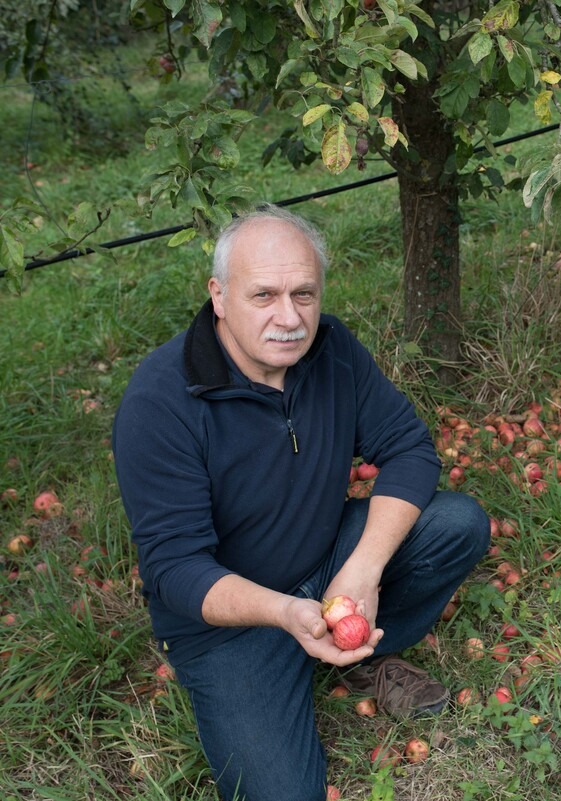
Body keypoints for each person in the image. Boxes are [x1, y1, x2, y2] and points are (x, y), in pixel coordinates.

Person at [112, 205, 490, 800]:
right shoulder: (161, 400)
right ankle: (286, 661)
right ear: (219, 296)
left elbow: (410, 450)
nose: (289, 318)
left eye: (304, 294)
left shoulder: (332, 351)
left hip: (325, 560)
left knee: (457, 523)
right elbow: (174, 569)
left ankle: (368, 654)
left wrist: (361, 572)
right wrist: (288, 613)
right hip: (228, 624)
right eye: (263, 295)